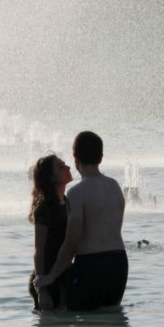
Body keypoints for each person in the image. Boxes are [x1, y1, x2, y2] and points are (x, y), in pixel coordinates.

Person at [34, 131, 127, 311]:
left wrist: (51, 276)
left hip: (92, 265)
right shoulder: (115, 186)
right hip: (119, 263)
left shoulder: (77, 193)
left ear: (76, 158)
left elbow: (72, 242)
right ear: (101, 157)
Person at [28, 154, 73, 311]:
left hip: (63, 274)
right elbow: (38, 250)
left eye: (66, 164)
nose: (68, 168)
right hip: (46, 279)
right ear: (51, 178)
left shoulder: (66, 201)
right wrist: (42, 291)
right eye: (61, 167)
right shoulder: (45, 207)